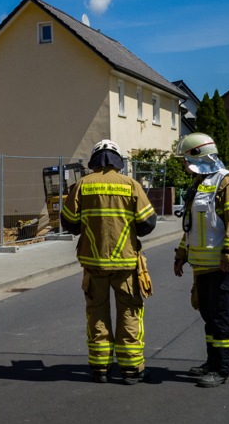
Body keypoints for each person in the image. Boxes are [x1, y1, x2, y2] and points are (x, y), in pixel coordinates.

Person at [61, 139, 157, 385]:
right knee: (129, 313)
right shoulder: (130, 185)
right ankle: (131, 370)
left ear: (94, 160)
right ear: (118, 161)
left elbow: (69, 222)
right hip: (126, 264)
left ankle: (100, 369)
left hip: (93, 264)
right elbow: (147, 224)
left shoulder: (82, 185)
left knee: (97, 314)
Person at [172, 133, 229, 388]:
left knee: (220, 318)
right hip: (202, 265)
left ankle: (221, 369)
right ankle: (211, 362)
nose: (184, 165)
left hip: (221, 265)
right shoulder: (199, 183)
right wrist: (181, 255)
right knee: (208, 316)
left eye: (185, 159)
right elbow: (193, 226)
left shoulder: (226, 181)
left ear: (198, 156)